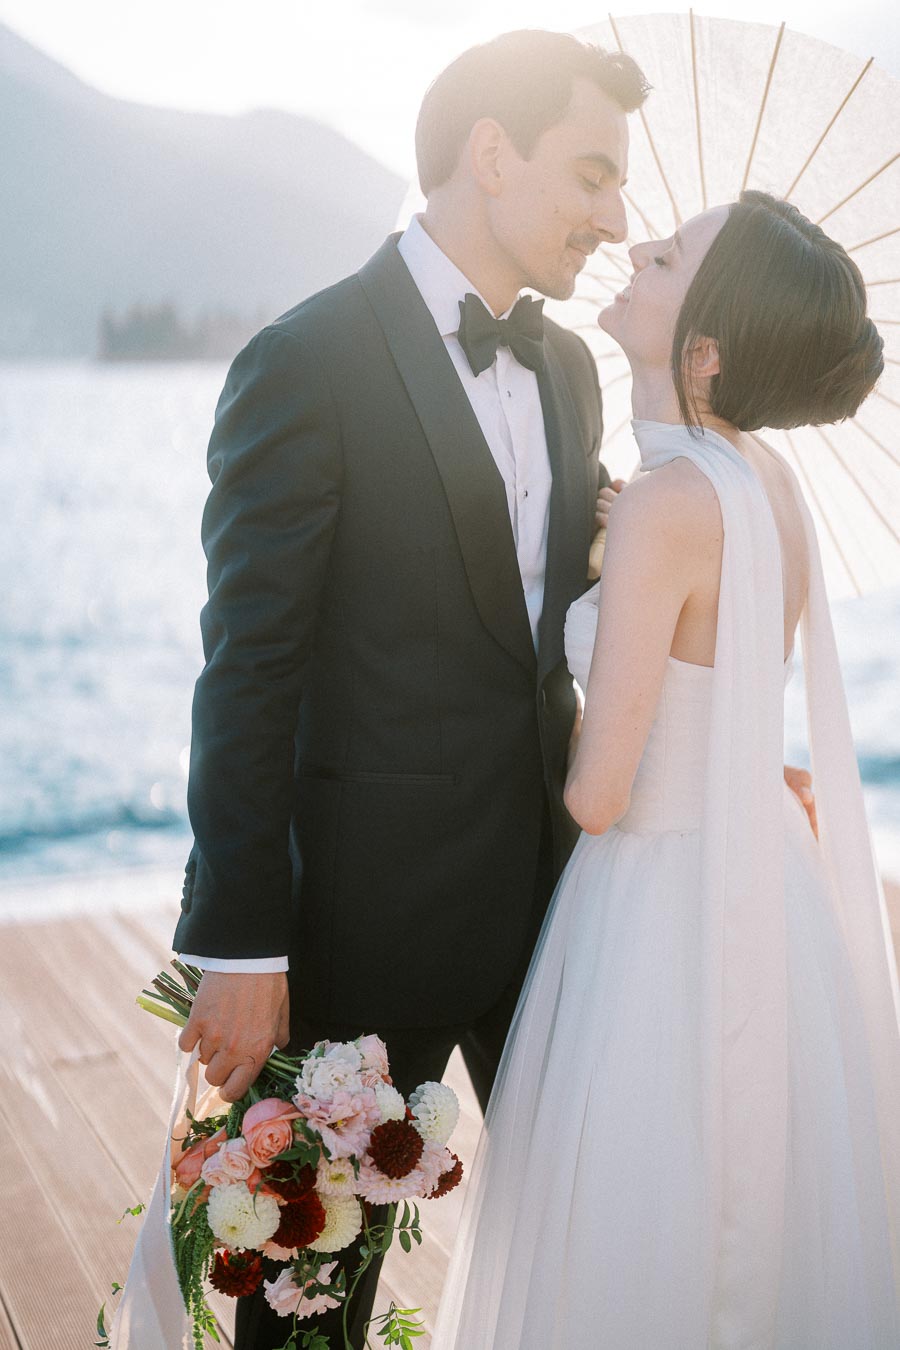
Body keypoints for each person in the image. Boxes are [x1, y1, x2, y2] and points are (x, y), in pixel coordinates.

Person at [171, 29, 648, 1347]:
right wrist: (242, 941)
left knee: (595, 1249)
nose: (616, 218)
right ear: (492, 156)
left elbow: (536, 622)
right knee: (311, 1303)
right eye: (593, 175)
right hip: (358, 937)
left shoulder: (565, 368)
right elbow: (249, 666)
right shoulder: (305, 360)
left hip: (557, 910)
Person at [431, 191, 900, 1348]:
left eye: (670, 255)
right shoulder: (763, 485)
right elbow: (728, 683)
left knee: (640, 1222)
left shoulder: (664, 506)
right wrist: (618, 546)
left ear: (703, 350)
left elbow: (598, 795)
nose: (636, 249)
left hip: (657, 902)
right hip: (761, 888)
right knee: (744, 1215)